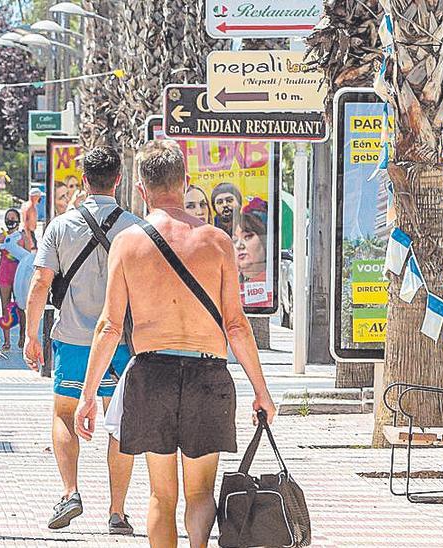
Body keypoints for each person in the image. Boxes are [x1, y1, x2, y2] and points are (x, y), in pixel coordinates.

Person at [74, 140, 276, 548]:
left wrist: (88, 394)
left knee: (160, 496)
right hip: (208, 376)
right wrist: (261, 390)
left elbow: (110, 327)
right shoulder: (216, 241)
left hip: (152, 376)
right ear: (186, 183)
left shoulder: (128, 243)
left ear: (140, 189)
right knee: (200, 493)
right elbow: (236, 325)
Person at [22, 147, 140, 533]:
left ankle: (70, 491)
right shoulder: (135, 227)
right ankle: (117, 512)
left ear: (84, 180)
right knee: (119, 421)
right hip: (121, 340)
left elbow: (41, 282)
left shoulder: (60, 226)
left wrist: (30, 334)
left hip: (72, 338)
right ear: (119, 179)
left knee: (63, 413)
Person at [0, 208, 30, 351]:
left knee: (21, 307)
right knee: (5, 307)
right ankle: (6, 341)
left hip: (19, 275)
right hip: (4, 274)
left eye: (13, 219)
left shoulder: (23, 237)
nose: (10, 221)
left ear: (18, 221)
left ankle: (22, 336)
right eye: (8, 219)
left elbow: (29, 258)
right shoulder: (0, 236)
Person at [235, 200, 271, 307]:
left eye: (248, 236)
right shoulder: (229, 284)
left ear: (264, 240)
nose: (239, 245)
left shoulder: (270, 287)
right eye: (234, 239)